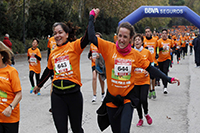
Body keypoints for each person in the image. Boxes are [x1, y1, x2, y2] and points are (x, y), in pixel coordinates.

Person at [88, 8, 180, 133]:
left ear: (130, 39)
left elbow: (151, 69)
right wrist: (91, 17)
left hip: (127, 99)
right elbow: (91, 37)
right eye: (120, 36)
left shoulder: (135, 55)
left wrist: (168, 79)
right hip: (111, 100)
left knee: (124, 130)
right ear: (116, 36)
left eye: (125, 37)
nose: (121, 39)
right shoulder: (108, 48)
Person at [33, 21, 89, 133]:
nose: (57, 35)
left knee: (76, 129)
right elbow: (48, 70)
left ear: (67, 34)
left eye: (60, 32)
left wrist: (92, 18)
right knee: (61, 130)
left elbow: (87, 37)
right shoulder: (53, 53)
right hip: (57, 96)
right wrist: (38, 85)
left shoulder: (74, 46)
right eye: (55, 33)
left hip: (74, 95)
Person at [0, 41, 22, 133]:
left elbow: (19, 94)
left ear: (2, 55)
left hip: (10, 117)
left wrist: (10, 107)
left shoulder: (11, 71)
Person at [133, 34, 153, 127]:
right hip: (135, 81)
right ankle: (140, 118)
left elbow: (151, 64)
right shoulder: (131, 52)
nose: (137, 41)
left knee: (143, 99)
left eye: (138, 40)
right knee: (137, 101)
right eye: (135, 40)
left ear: (142, 42)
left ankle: (146, 114)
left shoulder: (147, 52)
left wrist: (148, 71)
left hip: (145, 80)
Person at [88, 32, 105, 103]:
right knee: (94, 77)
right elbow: (89, 54)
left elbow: (105, 55)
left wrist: (100, 56)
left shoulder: (102, 45)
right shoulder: (92, 45)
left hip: (100, 64)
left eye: (98, 37)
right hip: (94, 64)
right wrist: (90, 57)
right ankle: (94, 95)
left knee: (101, 79)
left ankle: (103, 93)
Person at [143, 26, 159, 99]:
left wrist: (157, 53)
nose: (147, 33)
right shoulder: (143, 40)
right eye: (146, 32)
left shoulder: (155, 40)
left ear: (151, 32)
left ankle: (153, 89)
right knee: (148, 77)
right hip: (146, 61)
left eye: (148, 31)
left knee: (153, 77)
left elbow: (157, 47)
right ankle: (150, 90)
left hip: (153, 61)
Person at [157, 29, 174, 94]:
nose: (164, 35)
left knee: (165, 71)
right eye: (163, 33)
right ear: (161, 34)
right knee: (162, 73)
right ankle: (163, 83)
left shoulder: (170, 41)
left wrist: (172, 50)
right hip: (160, 59)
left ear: (167, 34)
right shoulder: (159, 41)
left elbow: (173, 47)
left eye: (165, 33)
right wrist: (162, 49)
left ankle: (165, 87)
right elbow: (157, 50)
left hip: (167, 58)